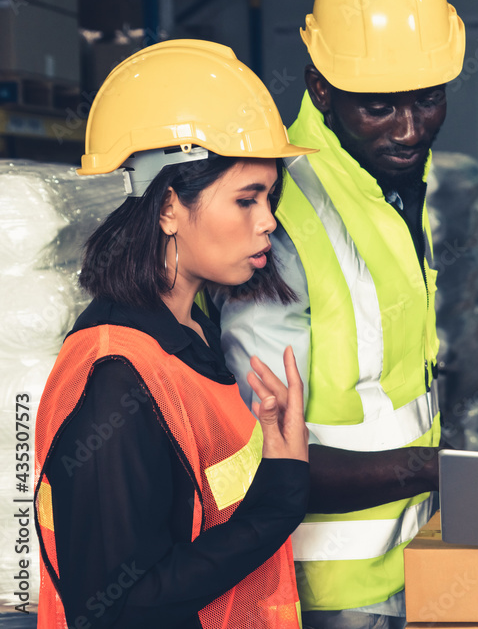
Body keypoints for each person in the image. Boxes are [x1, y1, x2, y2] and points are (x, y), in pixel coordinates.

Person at [213, 0, 466, 627]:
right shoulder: (281, 215)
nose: (411, 128)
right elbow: (257, 453)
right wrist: (441, 467)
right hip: (325, 590)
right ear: (321, 89)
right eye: (379, 105)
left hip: (412, 561)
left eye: (428, 98)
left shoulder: (391, 187)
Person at [33, 39, 315, 628]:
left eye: (270, 197)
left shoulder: (188, 333)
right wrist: (281, 495)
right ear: (167, 207)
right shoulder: (117, 377)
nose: (267, 221)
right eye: (247, 199)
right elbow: (123, 603)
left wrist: (277, 458)